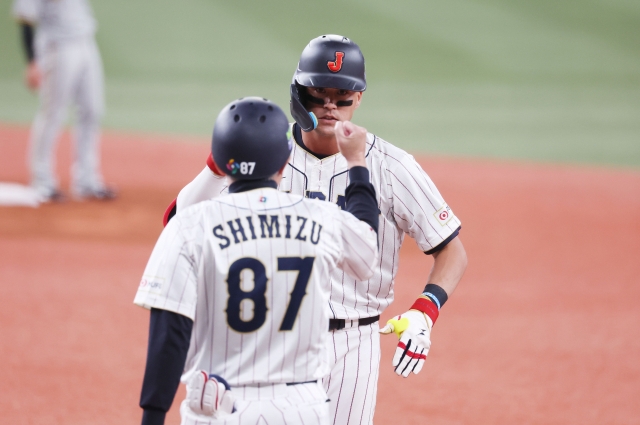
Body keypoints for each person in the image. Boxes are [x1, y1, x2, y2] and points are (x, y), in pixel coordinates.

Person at [164, 35, 468, 425]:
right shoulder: (264, 155)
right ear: (297, 93)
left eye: (342, 96)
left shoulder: (392, 167)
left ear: (359, 99)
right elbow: (178, 222)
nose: (329, 106)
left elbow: (451, 250)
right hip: (272, 339)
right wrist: (222, 158)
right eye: (317, 93)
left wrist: (425, 311)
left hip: (354, 342)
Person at [134, 97, 381, 425]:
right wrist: (357, 163)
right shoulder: (321, 217)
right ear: (285, 163)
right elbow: (366, 243)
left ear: (220, 161)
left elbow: (170, 332)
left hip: (219, 405)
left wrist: (153, 415)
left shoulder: (191, 225)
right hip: (302, 407)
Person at [12, 0, 115, 202]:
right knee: (53, 113)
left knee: (92, 110)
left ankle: (87, 181)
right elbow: (25, 19)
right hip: (57, 46)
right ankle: (43, 181)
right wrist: (32, 61)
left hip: (86, 41)